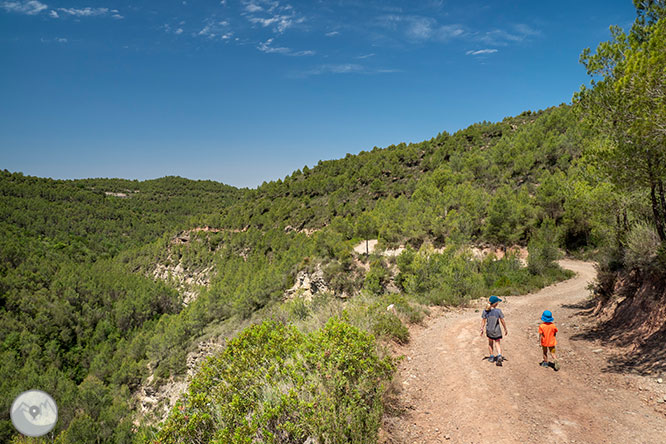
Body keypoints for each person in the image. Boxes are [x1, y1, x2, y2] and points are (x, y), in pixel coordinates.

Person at [480, 295, 508, 366]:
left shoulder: (485, 311)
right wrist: (505, 328)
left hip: (489, 330)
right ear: (496, 303)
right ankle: (499, 355)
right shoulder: (498, 311)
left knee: (490, 343)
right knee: (497, 343)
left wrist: (482, 328)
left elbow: (483, 321)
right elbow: (502, 321)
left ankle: (492, 356)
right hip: (497, 331)